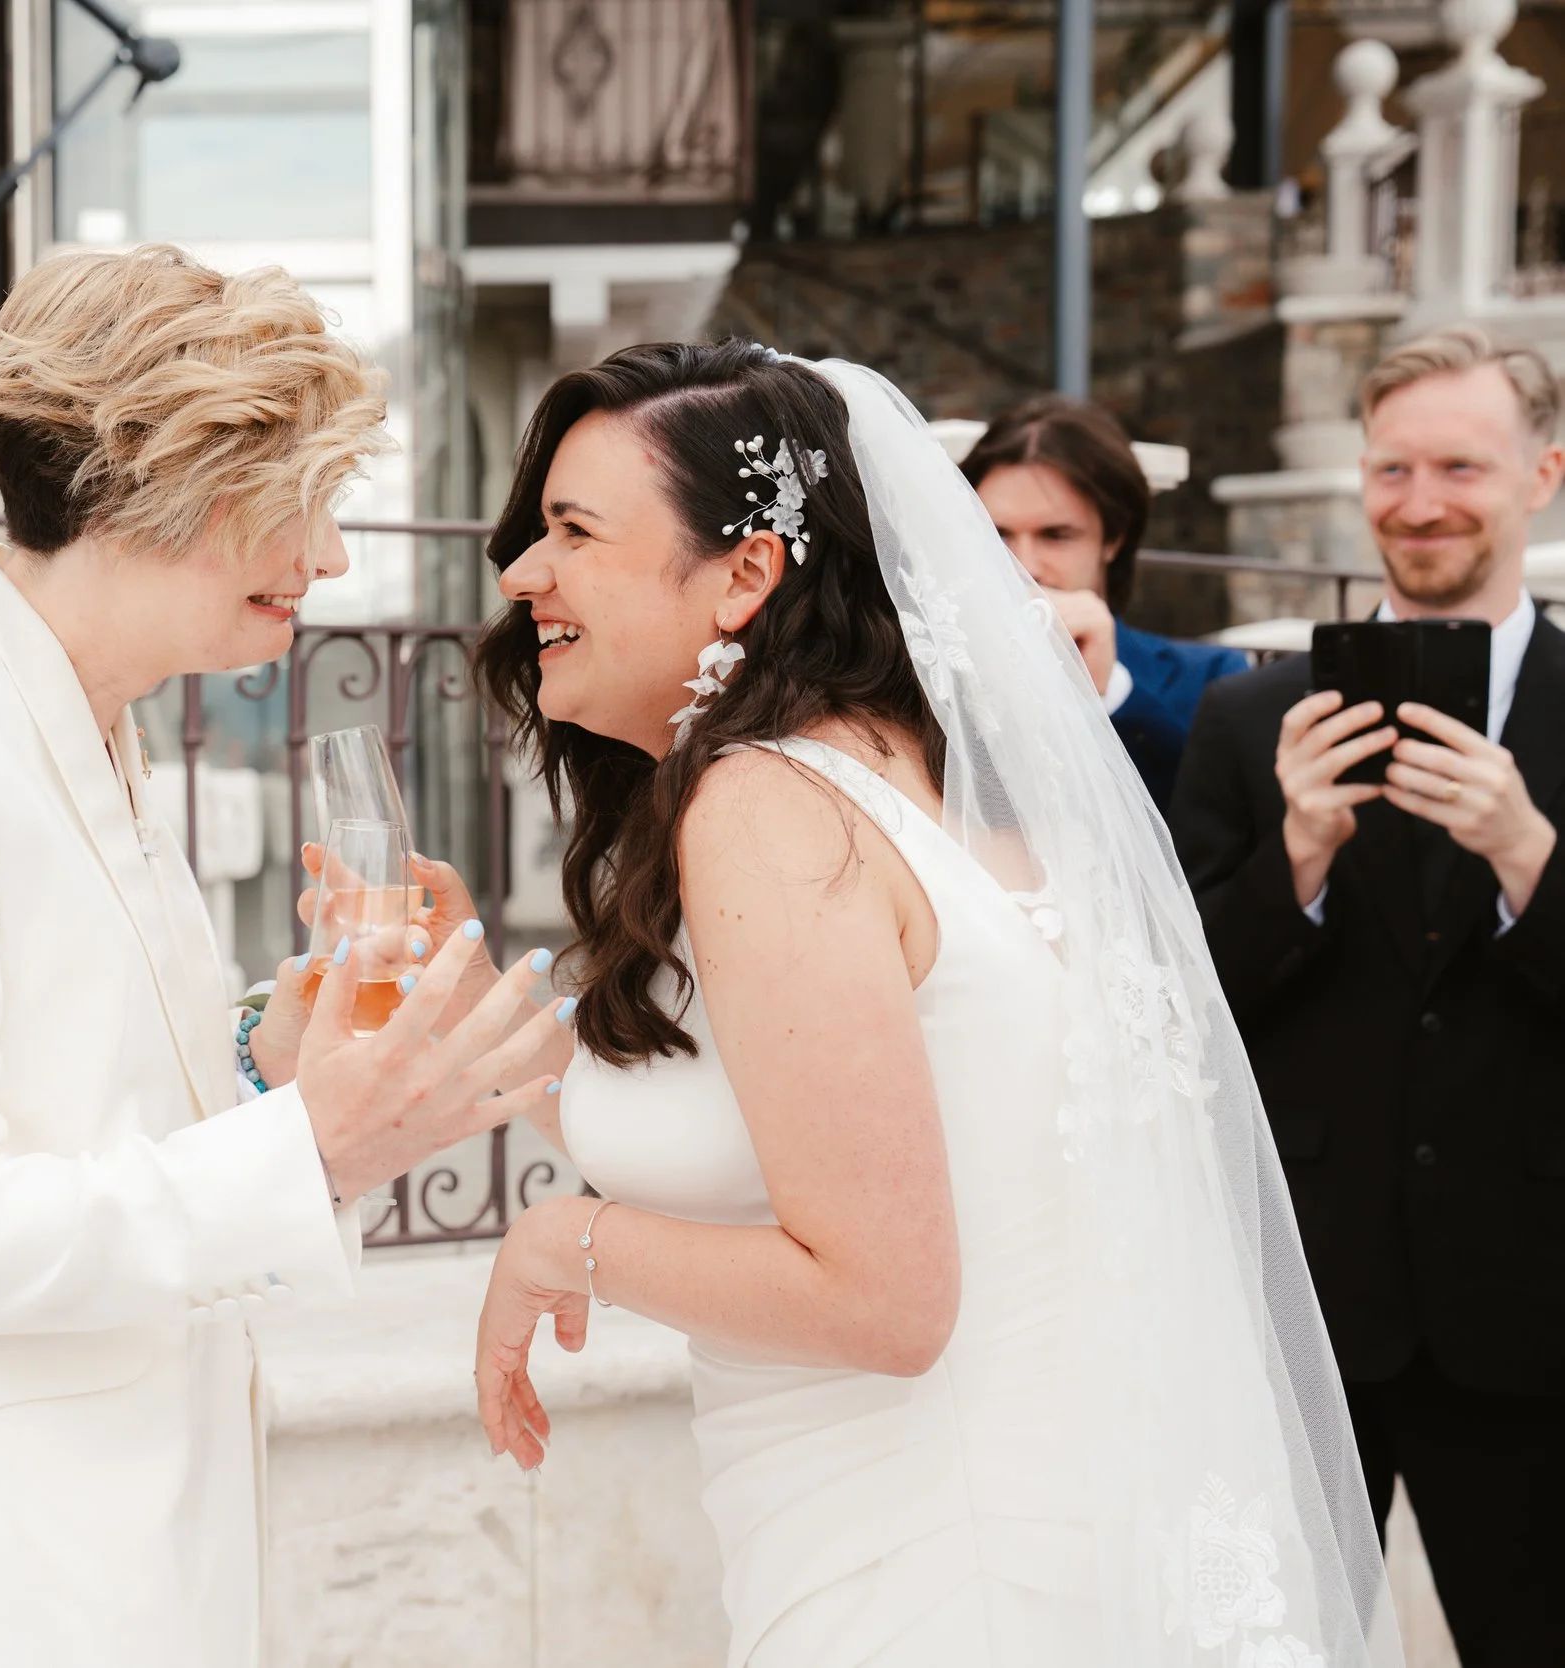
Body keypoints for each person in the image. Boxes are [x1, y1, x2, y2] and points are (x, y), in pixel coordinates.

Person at [463, 342, 1394, 1665]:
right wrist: (472, 1028)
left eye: (573, 531)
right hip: (1019, 1531)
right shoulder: (915, 783)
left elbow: (884, 1301)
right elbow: (814, 1115)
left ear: (744, 574)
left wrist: (563, 1242)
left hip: (934, 1573)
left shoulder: (766, 808)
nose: (522, 573)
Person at [0, 245, 569, 1668]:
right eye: (301, 500)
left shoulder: (80, 718)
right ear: (158, 483)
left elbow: (79, 1113)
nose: (330, 559)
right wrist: (312, 1150)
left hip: (125, 1529)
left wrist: (269, 1067)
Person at [1170, 324, 1565, 1663]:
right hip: (1302, 1302)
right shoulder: (1249, 721)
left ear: (1540, 476)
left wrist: (1529, 855)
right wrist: (1294, 858)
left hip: (1530, 1309)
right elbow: (1182, 1009)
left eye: (1459, 465)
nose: (1419, 501)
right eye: (1392, 467)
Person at [962, 395, 1247, 810]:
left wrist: (1109, 691)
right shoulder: (923, 675)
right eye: (997, 534)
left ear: (1113, 538)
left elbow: (1213, 826)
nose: (1023, 565)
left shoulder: (1211, 679)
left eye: (1056, 535)